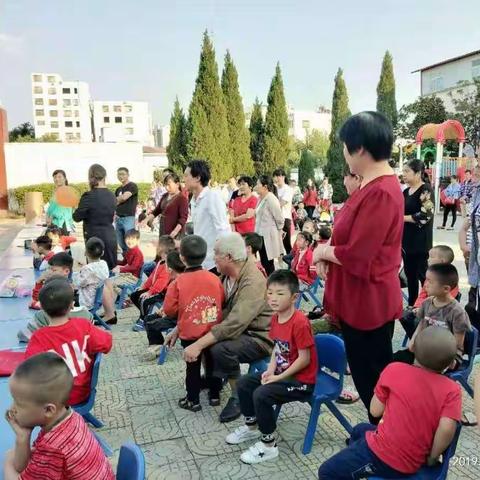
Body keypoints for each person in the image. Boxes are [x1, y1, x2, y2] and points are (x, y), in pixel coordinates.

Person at [313, 112, 404, 423]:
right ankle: (386, 436)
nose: (343, 153)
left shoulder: (381, 192)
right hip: (360, 298)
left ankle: (391, 442)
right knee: (370, 378)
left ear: (360, 149)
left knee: (373, 381)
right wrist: (327, 255)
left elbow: (359, 255)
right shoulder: (372, 186)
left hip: (369, 304)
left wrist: (323, 251)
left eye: (344, 147)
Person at [318, 327, 462, 479]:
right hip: (416, 456)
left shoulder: (394, 369)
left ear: (413, 348)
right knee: (359, 430)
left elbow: (375, 411)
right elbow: (446, 429)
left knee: (327, 472)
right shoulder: (452, 389)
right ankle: (359, 466)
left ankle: (364, 467)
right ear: (450, 363)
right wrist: (433, 458)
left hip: (387, 458)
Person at [225, 270, 317, 464]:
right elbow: (277, 347)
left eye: (280, 294)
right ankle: (252, 427)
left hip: (301, 381)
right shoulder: (276, 317)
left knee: (261, 394)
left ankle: (269, 446)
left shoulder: (300, 322)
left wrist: (278, 378)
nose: (273, 298)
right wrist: (270, 369)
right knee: (244, 383)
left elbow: (304, 359)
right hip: (282, 374)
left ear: (294, 297)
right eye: (270, 293)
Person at [180, 233, 273, 423]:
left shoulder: (253, 281)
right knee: (204, 335)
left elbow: (234, 323)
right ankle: (216, 378)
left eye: (216, 253)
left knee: (219, 348)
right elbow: (213, 308)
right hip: (242, 330)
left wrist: (197, 345)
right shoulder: (226, 275)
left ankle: (239, 396)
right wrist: (179, 330)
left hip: (259, 337)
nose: (213, 257)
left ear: (229, 257)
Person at [3, 352, 115, 479]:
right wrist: (23, 437)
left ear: (48, 410)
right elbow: (24, 465)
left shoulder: (52, 447)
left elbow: (19, 468)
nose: (12, 408)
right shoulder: (71, 418)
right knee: (11, 454)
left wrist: (7, 464)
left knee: (8, 458)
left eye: (19, 403)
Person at [25, 277, 113, 405]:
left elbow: (29, 373)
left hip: (53, 401)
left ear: (42, 307)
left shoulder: (38, 338)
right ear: (72, 304)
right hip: (82, 393)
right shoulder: (84, 326)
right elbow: (107, 344)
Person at [164, 235, 224, 411]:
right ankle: (214, 396)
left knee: (192, 366)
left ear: (182, 257)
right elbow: (222, 299)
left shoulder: (178, 282)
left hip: (190, 332)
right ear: (205, 256)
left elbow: (169, 309)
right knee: (212, 363)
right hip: (212, 331)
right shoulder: (214, 278)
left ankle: (193, 400)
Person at [395, 263, 471, 370]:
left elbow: (458, 344)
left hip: (446, 355)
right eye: (426, 280)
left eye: (430, 281)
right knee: (393, 362)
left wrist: (451, 360)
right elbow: (421, 324)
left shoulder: (457, 312)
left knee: (417, 372)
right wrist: (413, 342)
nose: (425, 285)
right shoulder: (426, 303)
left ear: (445, 289)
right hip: (425, 350)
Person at [18, 254, 92, 342]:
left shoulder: (42, 316)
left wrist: (38, 284)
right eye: (49, 269)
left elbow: (23, 335)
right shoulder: (87, 315)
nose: (49, 272)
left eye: (53, 270)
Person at [400, 245, 458, 339]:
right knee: (404, 315)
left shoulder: (450, 277)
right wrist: (418, 306)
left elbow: (447, 301)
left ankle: (424, 340)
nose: (428, 259)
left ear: (442, 261)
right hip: (425, 308)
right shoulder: (430, 274)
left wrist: (427, 309)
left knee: (417, 321)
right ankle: (417, 339)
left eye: (431, 257)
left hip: (440, 313)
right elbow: (423, 294)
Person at [184, 160, 231, 273]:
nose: (183, 179)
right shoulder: (194, 200)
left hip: (213, 262)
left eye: (186, 175)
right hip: (200, 259)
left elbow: (223, 229)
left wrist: (222, 258)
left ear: (198, 178)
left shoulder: (212, 197)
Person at [73, 163, 117, 271]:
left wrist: (74, 209)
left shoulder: (88, 196)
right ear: (104, 176)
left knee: (95, 272)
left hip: (94, 238)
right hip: (110, 235)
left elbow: (77, 217)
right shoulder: (112, 195)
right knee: (110, 270)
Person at [402, 159, 434, 306]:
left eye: (407, 171)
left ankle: (428, 306)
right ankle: (412, 305)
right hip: (406, 242)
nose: (404, 174)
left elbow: (426, 215)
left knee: (424, 276)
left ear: (418, 173)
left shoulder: (425, 189)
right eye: (403, 171)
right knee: (410, 275)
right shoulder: (405, 192)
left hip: (421, 242)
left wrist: (402, 218)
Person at [144, 250, 185, 355]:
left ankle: (159, 348)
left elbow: (173, 308)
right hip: (179, 314)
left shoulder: (175, 284)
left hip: (178, 318)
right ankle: (157, 345)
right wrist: (164, 309)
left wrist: (165, 312)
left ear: (170, 269)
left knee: (151, 324)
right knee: (149, 319)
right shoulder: (183, 279)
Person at [130, 235, 176, 330]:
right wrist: (143, 287)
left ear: (162, 248)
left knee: (144, 300)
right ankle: (145, 314)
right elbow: (152, 277)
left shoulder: (168, 263)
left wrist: (150, 292)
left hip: (161, 292)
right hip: (154, 289)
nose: (156, 247)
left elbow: (161, 283)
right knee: (134, 295)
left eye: (158, 245)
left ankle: (143, 320)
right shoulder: (160, 261)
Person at [143, 173, 189, 238]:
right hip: (163, 230)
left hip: (175, 234)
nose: (167, 188)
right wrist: (146, 220)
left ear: (177, 184)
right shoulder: (165, 196)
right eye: (165, 185)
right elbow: (156, 211)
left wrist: (175, 232)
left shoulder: (182, 198)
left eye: (169, 185)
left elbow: (183, 218)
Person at [255, 175, 284, 276]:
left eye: (258, 184)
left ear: (265, 186)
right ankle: (270, 281)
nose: (256, 186)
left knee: (268, 262)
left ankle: (273, 282)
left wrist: (279, 230)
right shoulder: (260, 198)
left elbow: (279, 218)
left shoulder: (271, 199)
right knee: (264, 261)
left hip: (268, 236)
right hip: (260, 234)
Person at [72, 236, 110, 312]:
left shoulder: (87, 269)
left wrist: (75, 271)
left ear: (85, 253)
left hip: (88, 302)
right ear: (102, 253)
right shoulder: (104, 264)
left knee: (65, 298)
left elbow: (78, 283)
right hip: (99, 299)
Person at [111, 229, 144, 294]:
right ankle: (122, 298)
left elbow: (134, 267)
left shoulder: (138, 253)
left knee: (112, 283)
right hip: (128, 275)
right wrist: (112, 260)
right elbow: (123, 263)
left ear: (137, 240)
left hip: (134, 277)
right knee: (110, 281)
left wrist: (120, 269)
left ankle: (125, 299)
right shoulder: (129, 251)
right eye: (127, 239)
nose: (129, 241)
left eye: (132, 239)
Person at [115, 167, 138, 254]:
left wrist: (118, 199)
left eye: (123, 174)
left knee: (131, 242)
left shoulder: (132, 186)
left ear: (128, 175)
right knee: (121, 243)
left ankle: (135, 263)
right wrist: (118, 199)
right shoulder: (118, 189)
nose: (121, 176)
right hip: (118, 218)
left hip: (128, 218)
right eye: (119, 174)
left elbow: (124, 197)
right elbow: (115, 202)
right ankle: (127, 261)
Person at [46, 169, 74, 235]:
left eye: (59, 177)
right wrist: (47, 216)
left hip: (62, 224)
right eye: (55, 177)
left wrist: (51, 217)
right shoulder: (56, 192)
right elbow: (51, 207)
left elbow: (61, 210)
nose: (57, 179)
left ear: (65, 178)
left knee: (60, 244)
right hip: (54, 223)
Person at [273, 168, 293, 255]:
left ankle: (291, 261)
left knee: (286, 243)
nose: (277, 178)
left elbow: (281, 203)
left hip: (285, 218)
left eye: (278, 176)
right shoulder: (274, 188)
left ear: (283, 177)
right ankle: (280, 263)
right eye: (275, 176)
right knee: (276, 243)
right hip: (274, 218)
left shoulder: (287, 189)